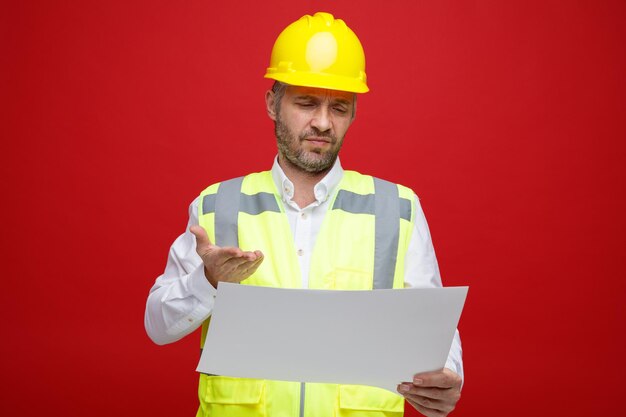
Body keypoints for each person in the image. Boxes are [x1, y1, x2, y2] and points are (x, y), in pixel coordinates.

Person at [145, 12, 463, 417]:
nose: (323, 123)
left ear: (354, 113)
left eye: (340, 108)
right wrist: (207, 280)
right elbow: (158, 326)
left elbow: (434, 331)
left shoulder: (399, 210)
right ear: (272, 104)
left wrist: (448, 377)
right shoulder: (216, 205)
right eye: (307, 103)